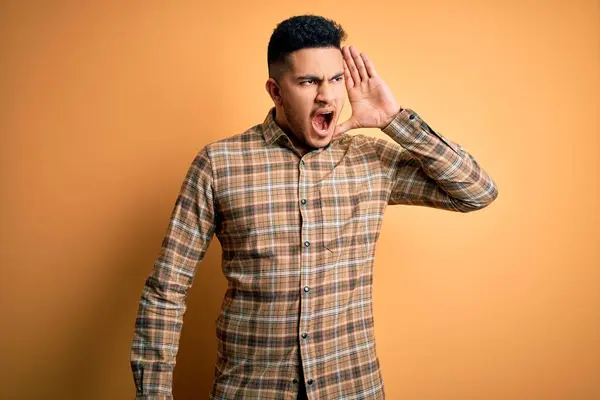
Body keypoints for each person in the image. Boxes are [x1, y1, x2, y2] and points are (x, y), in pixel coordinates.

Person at [130, 14, 498, 400]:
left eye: (336, 79)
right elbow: (165, 291)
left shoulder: (371, 160)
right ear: (275, 90)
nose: (328, 96)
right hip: (251, 391)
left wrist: (393, 120)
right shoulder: (219, 164)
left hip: (351, 388)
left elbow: (476, 191)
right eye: (309, 81)